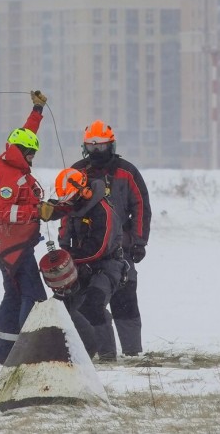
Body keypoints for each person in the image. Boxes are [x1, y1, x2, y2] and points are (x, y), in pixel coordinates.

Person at [71, 120, 151, 357]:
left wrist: (139, 241)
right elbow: (66, 208)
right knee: (88, 301)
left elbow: (141, 207)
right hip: (85, 250)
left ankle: (133, 354)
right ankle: (100, 354)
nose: (97, 151)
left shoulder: (127, 172)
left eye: (101, 146)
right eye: (92, 147)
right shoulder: (77, 172)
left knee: (126, 300)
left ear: (111, 145)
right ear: (85, 147)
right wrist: (67, 245)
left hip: (121, 248)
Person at [0, 90, 50, 365]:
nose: (32, 158)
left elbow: (23, 134)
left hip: (4, 244)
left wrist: (37, 111)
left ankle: (2, 353)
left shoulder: (9, 158)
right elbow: (3, 211)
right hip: (15, 244)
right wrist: (36, 211)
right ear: (21, 152)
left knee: (13, 294)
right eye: (30, 154)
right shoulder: (11, 177)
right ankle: (27, 353)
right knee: (33, 297)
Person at [48, 168, 127, 360]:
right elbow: (65, 238)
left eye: (72, 199)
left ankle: (107, 356)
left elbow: (98, 249)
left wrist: (71, 258)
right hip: (83, 265)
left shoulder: (103, 211)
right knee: (60, 304)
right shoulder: (72, 209)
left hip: (108, 265)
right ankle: (76, 352)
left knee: (93, 303)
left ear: (84, 191)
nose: (69, 204)